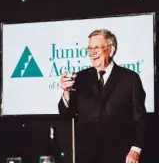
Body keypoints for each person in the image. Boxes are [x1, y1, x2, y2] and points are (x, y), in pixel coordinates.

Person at [58, 29, 146, 163]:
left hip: (119, 157)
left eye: (97, 48)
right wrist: (66, 92)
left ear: (110, 50)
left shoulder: (130, 79)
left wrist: (135, 150)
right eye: (89, 48)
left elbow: (140, 119)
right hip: (86, 158)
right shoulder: (81, 78)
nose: (92, 53)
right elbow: (66, 115)